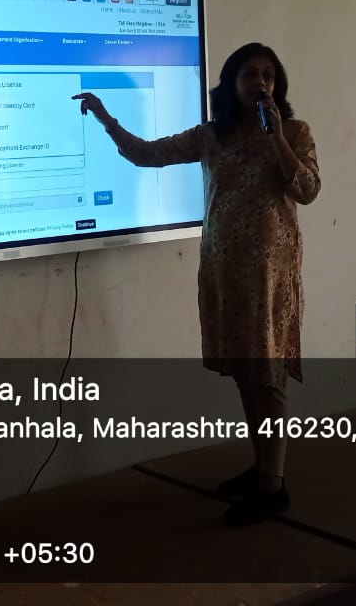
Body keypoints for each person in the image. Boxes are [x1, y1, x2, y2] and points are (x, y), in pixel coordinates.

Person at [72, 42, 320, 526]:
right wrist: (104, 118)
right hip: (225, 271)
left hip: (270, 275)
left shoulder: (294, 131)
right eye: (250, 74)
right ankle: (263, 468)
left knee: (267, 373)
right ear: (231, 83)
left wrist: (276, 139)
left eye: (269, 75)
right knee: (246, 371)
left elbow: (307, 189)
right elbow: (146, 154)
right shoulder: (212, 136)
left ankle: (273, 486)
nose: (261, 82)